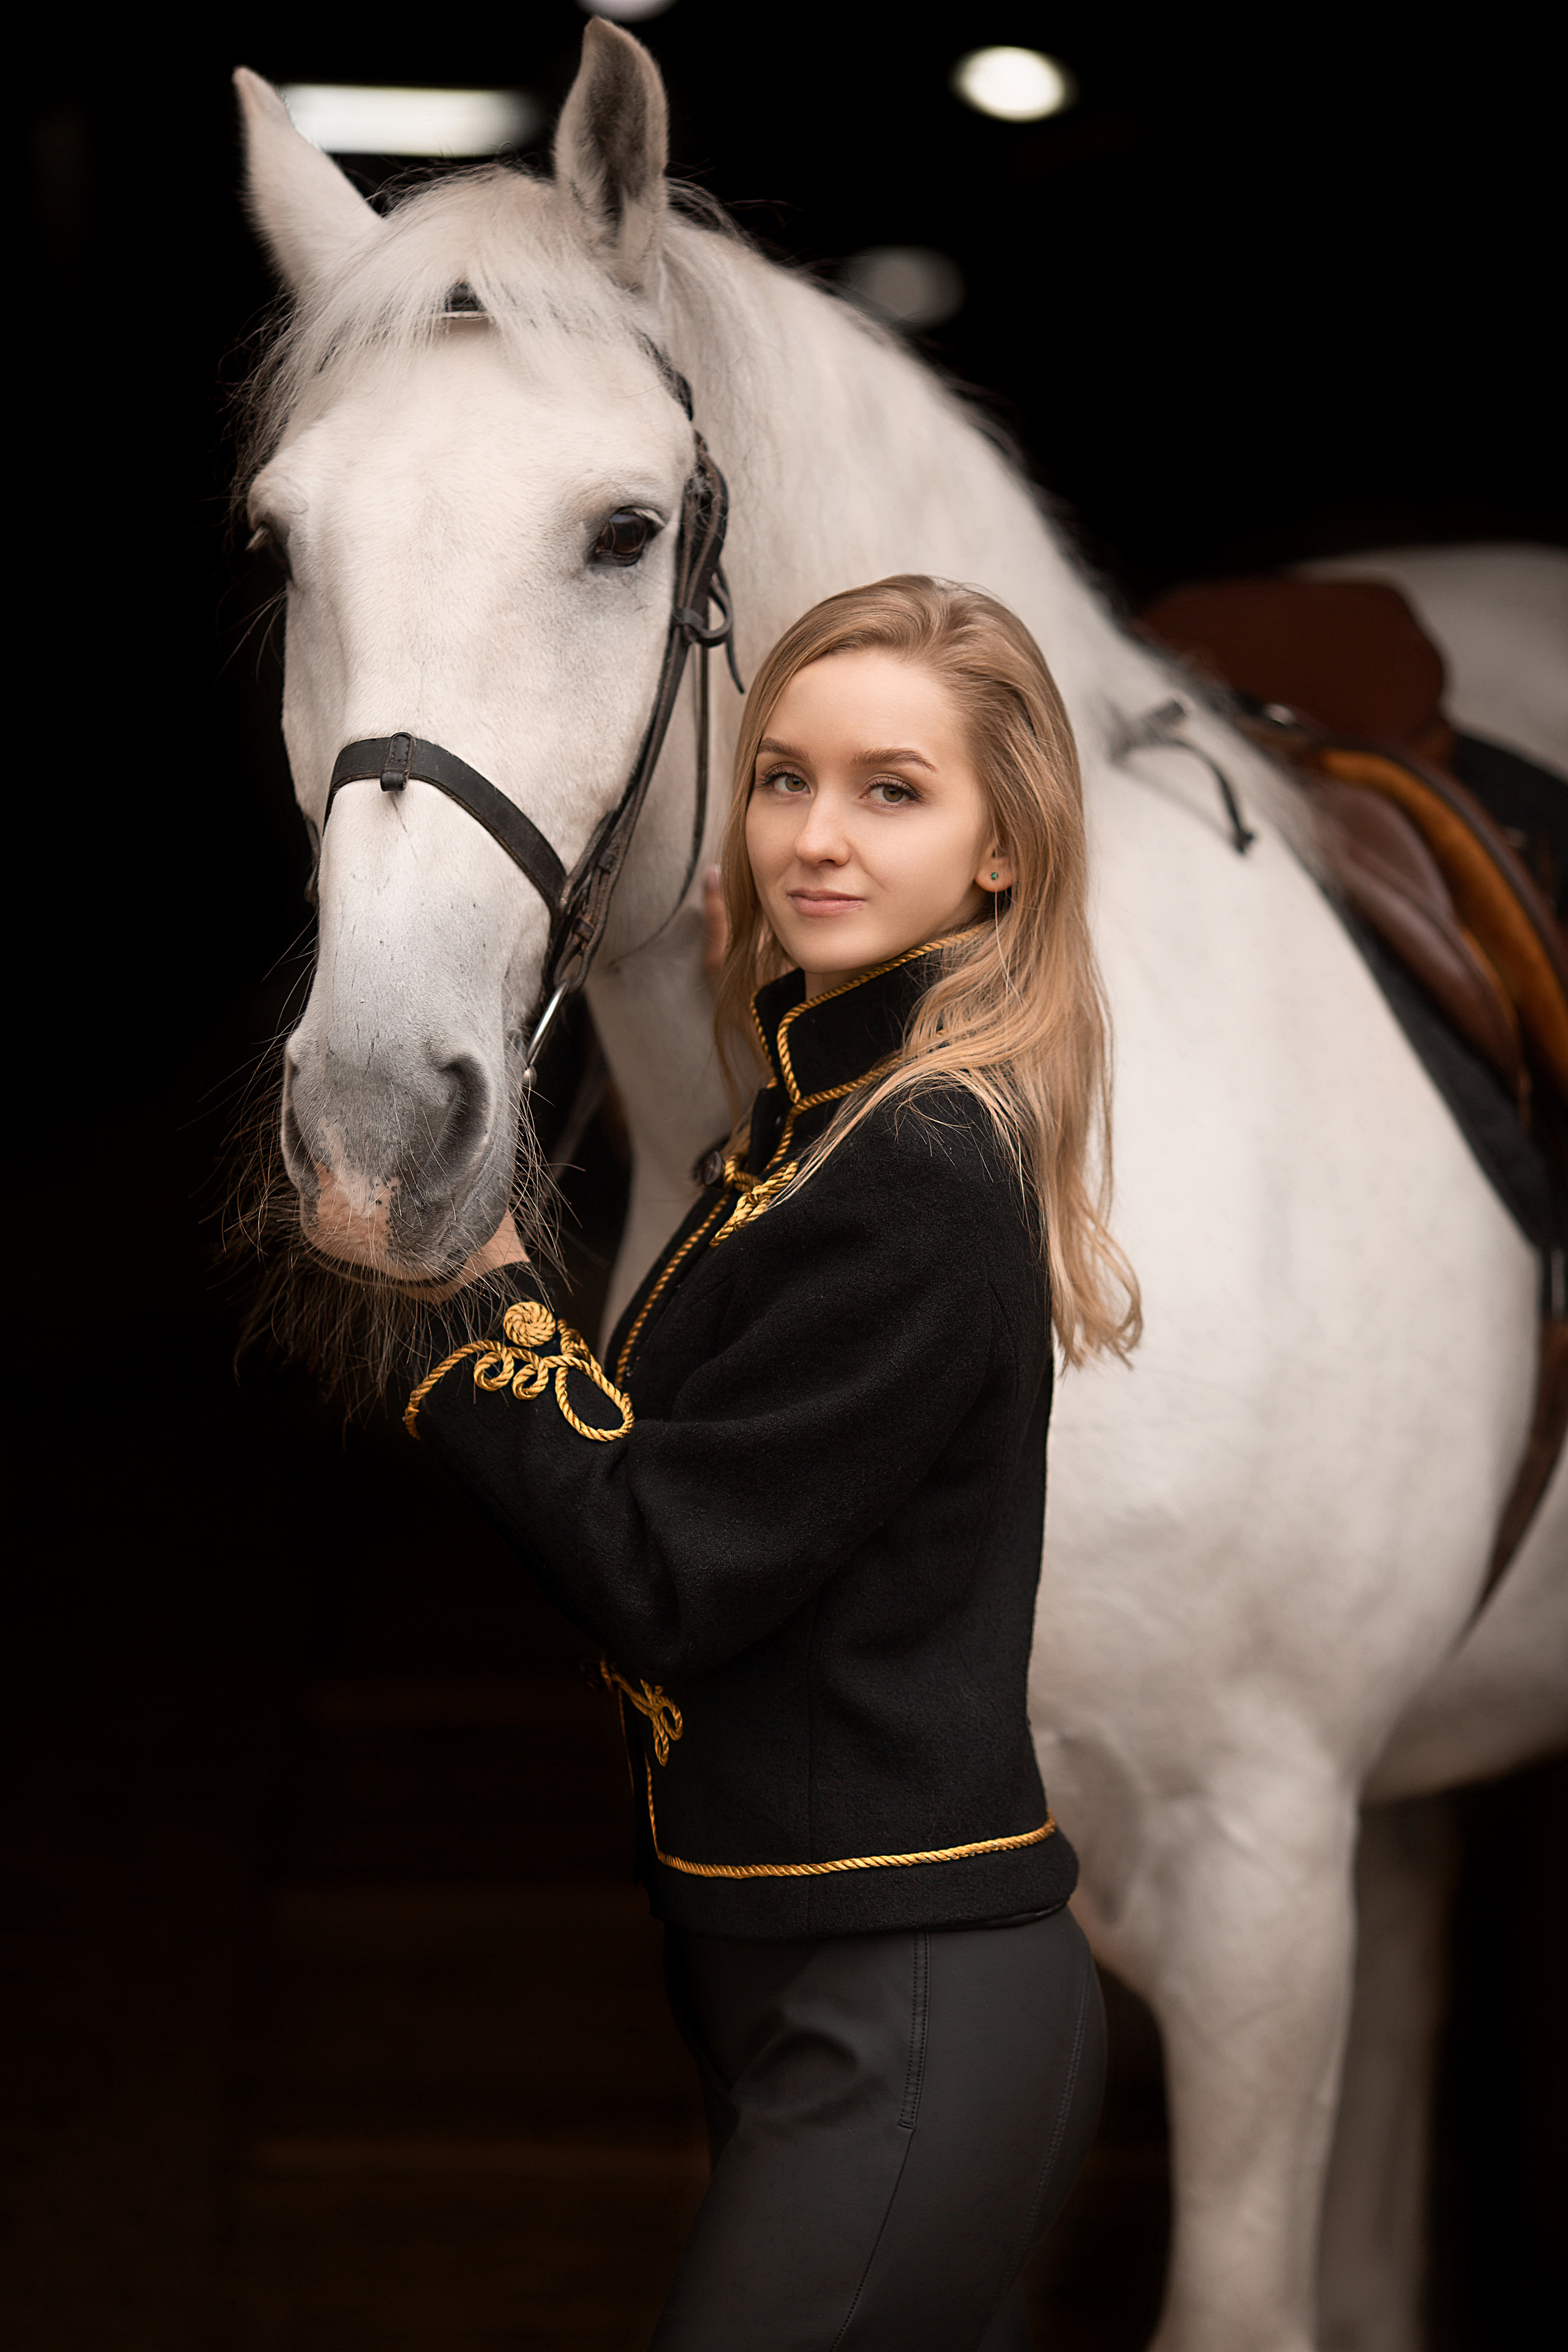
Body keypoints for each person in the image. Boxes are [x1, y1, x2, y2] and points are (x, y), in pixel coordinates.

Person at [402, 576, 1140, 2349]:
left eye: (894, 790)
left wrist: (473, 1288)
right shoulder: (801, 1138)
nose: (817, 834)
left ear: (1002, 855)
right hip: (794, 1976)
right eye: (784, 780)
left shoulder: (913, 1170)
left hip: (907, 1995)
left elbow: (668, 1572)